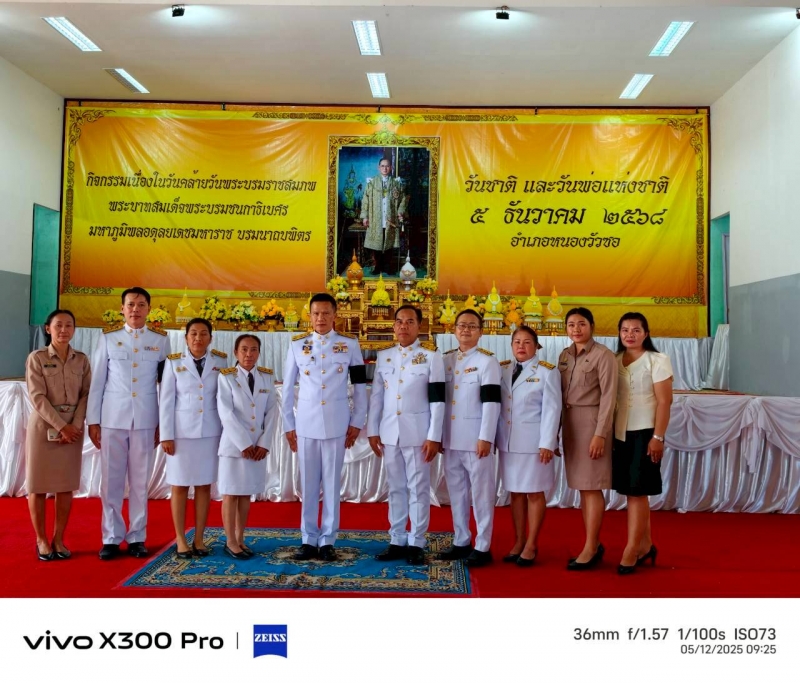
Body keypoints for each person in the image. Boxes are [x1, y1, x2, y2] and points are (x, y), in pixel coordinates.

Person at [282, 293, 367, 561]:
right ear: (309, 316)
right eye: (316, 313)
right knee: (308, 484)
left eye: (326, 313)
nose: (320, 318)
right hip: (306, 424)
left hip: (336, 423)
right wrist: (288, 424)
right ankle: (308, 539)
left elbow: (360, 386)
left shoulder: (349, 345)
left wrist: (357, 421)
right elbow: (287, 388)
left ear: (335, 315)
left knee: (331, 484)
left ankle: (328, 539)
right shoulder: (298, 345)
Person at [87, 287, 170, 560]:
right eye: (131, 304)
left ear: (149, 309)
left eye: (141, 304)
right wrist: (93, 420)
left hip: (145, 419)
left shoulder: (160, 340)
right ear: (122, 308)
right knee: (110, 481)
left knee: (140, 482)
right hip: (112, 418)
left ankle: (137, 537)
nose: (135, 309)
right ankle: (111, 537)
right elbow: (97, 381)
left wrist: (163, 423)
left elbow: (166, 387)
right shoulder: (109, 338)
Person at [367, 305, 445, 565]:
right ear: (394, 326)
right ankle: (397, 539)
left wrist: (434, 436)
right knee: (396, 487)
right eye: (399, 321)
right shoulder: (385, 356)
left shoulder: (431, 357)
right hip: (390, 433)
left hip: (418, 434)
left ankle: (417, 542)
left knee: (419, 488)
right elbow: (377, 397)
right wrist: (373, 430)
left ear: (419, 326)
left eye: (410, 321)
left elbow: (437, 400)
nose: (403, 326)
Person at [25, 310, 91, 561]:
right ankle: (41, 539)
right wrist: (62, 426)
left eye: (69, 325)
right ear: (48, 329)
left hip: (73, 429)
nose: (64, 330)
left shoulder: (81, 360)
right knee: (38, 486)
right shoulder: (37, 358)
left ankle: (59, 538)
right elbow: (37, 397)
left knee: (65, 486)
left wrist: (75, 425)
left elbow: (86, 394)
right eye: (58, 325)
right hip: (44, 428)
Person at [159, 318, 228, 559]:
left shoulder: (221, 361)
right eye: (193, 334)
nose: (198, 338)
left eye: (203, 334)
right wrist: (166, 435)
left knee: (203, 486)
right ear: (186, 337)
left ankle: (199, 538)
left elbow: (224, 398)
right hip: (180, 434)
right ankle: (180, 538)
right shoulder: (173, 362)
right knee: (179, 485)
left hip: (209, 432)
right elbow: (166, 400)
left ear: (211, 337)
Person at [438, 309, 501, 567]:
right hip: (451, 439)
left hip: (476, 440)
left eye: (472, 326)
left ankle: (483, 545)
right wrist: (439, 435)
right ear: (454, 329)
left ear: (481, 332)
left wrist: (486, 436)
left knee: (482, 494)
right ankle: (461, 540)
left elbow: (491, 402)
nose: (466, 330)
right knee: (457, 492)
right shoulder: (445, 360)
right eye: (461, 325)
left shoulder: (487, 361)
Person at [495, 325, 561, 567]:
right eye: (517, 342)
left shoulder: (546, 372)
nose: (521, 346)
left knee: (534, 492)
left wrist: (548, 443)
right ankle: (519, 540)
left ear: (536, 346)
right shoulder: (503, 369)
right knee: (515, 493)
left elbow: (552, 410)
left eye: (527, 342)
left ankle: (531, 544)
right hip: (509, 442)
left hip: (534, 444)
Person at [558, 307, 618, 571]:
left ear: (592, 326)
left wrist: (600, 434)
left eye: (581, 324)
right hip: (571, 424)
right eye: (571, 324)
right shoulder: (565, 355)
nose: (576, 329)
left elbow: (609, 397)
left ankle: (591, 547)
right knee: (583, 487)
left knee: (592, 486)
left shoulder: (603, 355)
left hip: (592, 424)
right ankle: (593, 543)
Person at [613, 313, 673, 575]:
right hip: (620, 433)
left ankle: (631, 549)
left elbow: (665, 402)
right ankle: (646, 545)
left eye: (636, 330)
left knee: (637, 492)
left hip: (646, 432)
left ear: (646, 333)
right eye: (625, 330)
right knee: (633, 491)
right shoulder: (614, 359)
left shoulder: (657, 360)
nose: (630, 335)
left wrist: (658, 437)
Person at [216, 334, 277, 560]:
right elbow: (226, 413)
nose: (248, 354)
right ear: (235, 352)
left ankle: (240, 538)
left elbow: (272, 412)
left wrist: (264, 443)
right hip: (234, 447)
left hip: (256, 448)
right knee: (231, 493)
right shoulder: (226, 377)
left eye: (253, 350)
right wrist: (243, 443)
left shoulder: (266, 377)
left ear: (259, 353)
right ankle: (230, 541)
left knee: (245, 495)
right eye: (244, 349)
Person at [360, 156, 407, 276]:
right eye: (382, 166)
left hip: (391, 218)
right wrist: (365, 216)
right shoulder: (372, 183)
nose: (385, 168)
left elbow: (403, 199)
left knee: (389, 243)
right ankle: (378, 266)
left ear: (390, 167)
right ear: (379, 167)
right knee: (377, 244)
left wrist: (400, 212)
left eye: (387, 166)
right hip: (376, 218)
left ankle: (388, 266)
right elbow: (365, 200)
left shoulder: (396, 183)